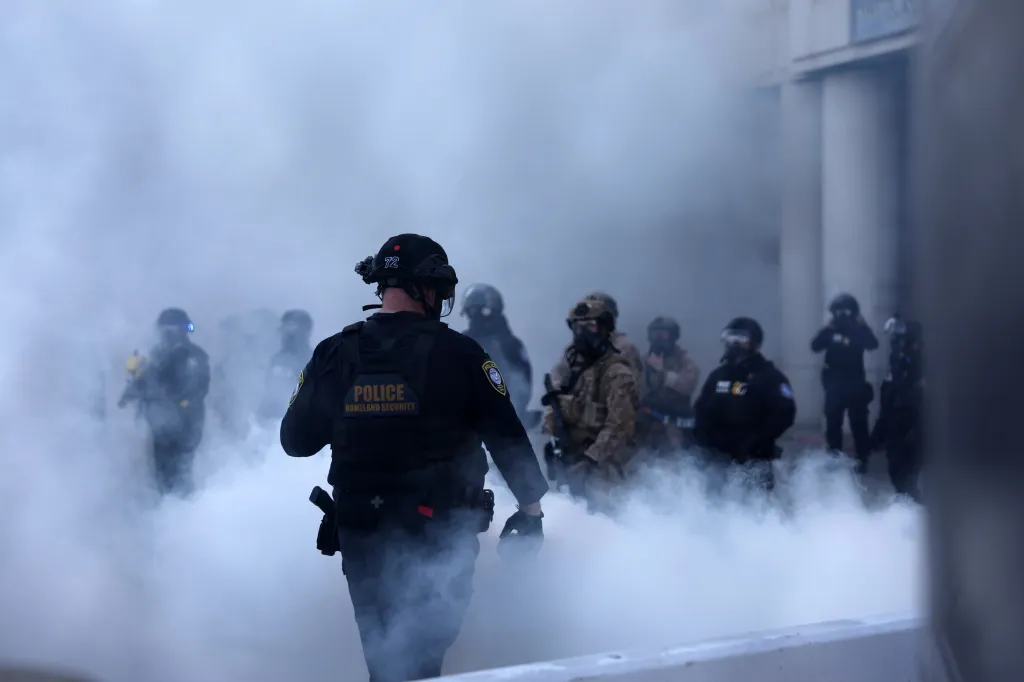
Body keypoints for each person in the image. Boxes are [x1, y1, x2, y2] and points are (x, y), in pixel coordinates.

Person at [279, 233, 548, 682]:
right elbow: (507, 437)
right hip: (438, 535)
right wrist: (532, 512)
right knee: (421, 665)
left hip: (361, 535)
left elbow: (295, 440)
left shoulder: (335, 352)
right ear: (427, 286)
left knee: (385, 661)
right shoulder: (461, 354)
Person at [541, 296, 639, 513]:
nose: (583, 333)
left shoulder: (616, 373)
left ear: (604, 329)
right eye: (578, 327)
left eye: (590, 326)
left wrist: (589, 460)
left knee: (602, 524)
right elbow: (558, 404)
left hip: (604, 468)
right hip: (573, 462)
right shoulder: (574, 368)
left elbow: (620, 427)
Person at [693, 317, 795, 492]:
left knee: (755, 510)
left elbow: (784, 413)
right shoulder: (719, 375)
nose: (734, 344)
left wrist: (755, 441)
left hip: (753, 457)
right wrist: (703, 440)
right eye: (730, 339)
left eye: (740, 339)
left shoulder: (769, 376)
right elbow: (701, 408)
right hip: (717, 459)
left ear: (754, 343)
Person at [118, 307, 210, 495]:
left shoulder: (192, 356)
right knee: (161, 477)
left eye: (172, 329)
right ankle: (167, 515)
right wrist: (135, 376)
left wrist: (164, 400)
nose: (167, 334)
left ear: (183, 330)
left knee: (179, 476)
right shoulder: (158, 354)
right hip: (161, 428)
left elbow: (194, 390)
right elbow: (146, 384)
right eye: (164, 329)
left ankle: (185, 515)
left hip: (184, 427)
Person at [810, 293, 879, 473]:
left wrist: (861, 326)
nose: (841, 317)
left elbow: (873, 344)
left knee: (859, 424)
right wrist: (829, 329)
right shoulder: (831, 331)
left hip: (855, 384)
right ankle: (834, 457)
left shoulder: (858, 330)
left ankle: (862, 459)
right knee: (833, 423)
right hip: (834, 385)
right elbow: (815, 346)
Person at [460, 284, 535, 425]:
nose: (474, 318)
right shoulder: (461, 342)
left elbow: (523, 384)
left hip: (504, 420)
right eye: (471, 312)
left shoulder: (510, 344)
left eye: (477, 311)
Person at [870, 316, 924, 502]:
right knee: (897, 471)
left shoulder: (918, 362)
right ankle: (905, 504)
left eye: (899, 338)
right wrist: (878, 434)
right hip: (895, 422)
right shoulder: (897, 362)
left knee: (908, 472)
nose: (895, 343)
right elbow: (887, 401)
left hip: (912, 424)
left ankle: (913, 506)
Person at [549, 291, 643, 387]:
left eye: (591, 324)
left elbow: (632, 386)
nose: (584, 331)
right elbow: (559, 373)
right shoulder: (573, 351)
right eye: (579, 326)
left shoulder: (623, 347)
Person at [638, 315, 701, 454]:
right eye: (655, 334)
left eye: (663, 335)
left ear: (673, 337)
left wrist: (662, 372)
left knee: (676, 466)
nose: (658, 339)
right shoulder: (643, 360)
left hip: (674, 429)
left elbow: (688, 385)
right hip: (647, 426)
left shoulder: (683, 359)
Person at [257, 309, 314, 422]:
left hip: (300, 423)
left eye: (292, 326)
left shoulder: (313, 360)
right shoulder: (276, 359)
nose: (287, 331)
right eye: (285, 326)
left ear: (304, 330)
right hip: (272, 424)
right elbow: (269, 390)